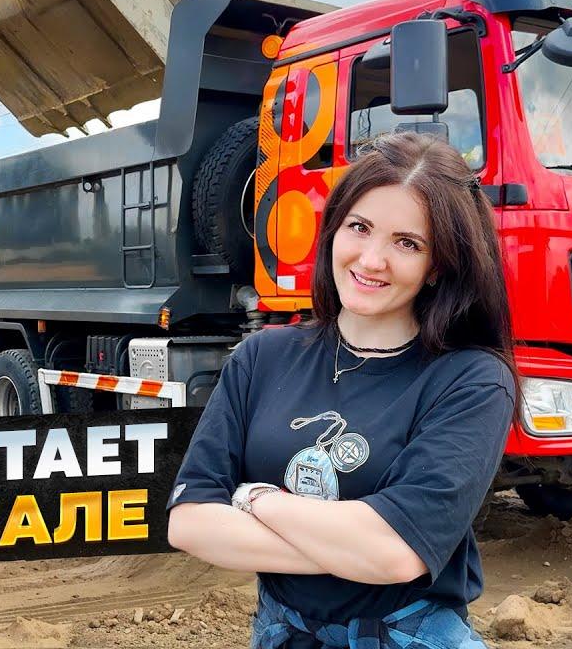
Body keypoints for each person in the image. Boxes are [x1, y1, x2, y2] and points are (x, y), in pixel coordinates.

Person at [167, 131, 518, 649]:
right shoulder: (261, 357)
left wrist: (256, 499)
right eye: (360, 227)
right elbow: (190, 522)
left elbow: (396, 554)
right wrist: (355, 549)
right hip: (283, 635)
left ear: (438, 265)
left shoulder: (472, 380)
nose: (372, 260)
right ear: (334, 229)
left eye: (407, 243)